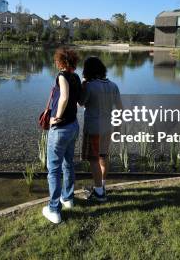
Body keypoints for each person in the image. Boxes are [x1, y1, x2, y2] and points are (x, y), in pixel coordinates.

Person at [42, 47, 81, 224]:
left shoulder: (62, 76)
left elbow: (64, 97)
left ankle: (54, 210)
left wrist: (56, 117)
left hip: (61, 128)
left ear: (60, 61)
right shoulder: (76, 77)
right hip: (73, 126)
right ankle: (68, 199)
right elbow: (80, 100)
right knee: (68, 164)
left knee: (54, 169)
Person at [79, 56, 122, 202]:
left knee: (93, 159)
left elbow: (80, 102)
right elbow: (120, 108)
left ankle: (99, 193)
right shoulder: (113, 85)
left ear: (88, 70)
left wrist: (83, 84)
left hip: (93, 128)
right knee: (103, 156)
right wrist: (118, 126)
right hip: (108, 127)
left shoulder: (90, 86)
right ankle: (102, 185)